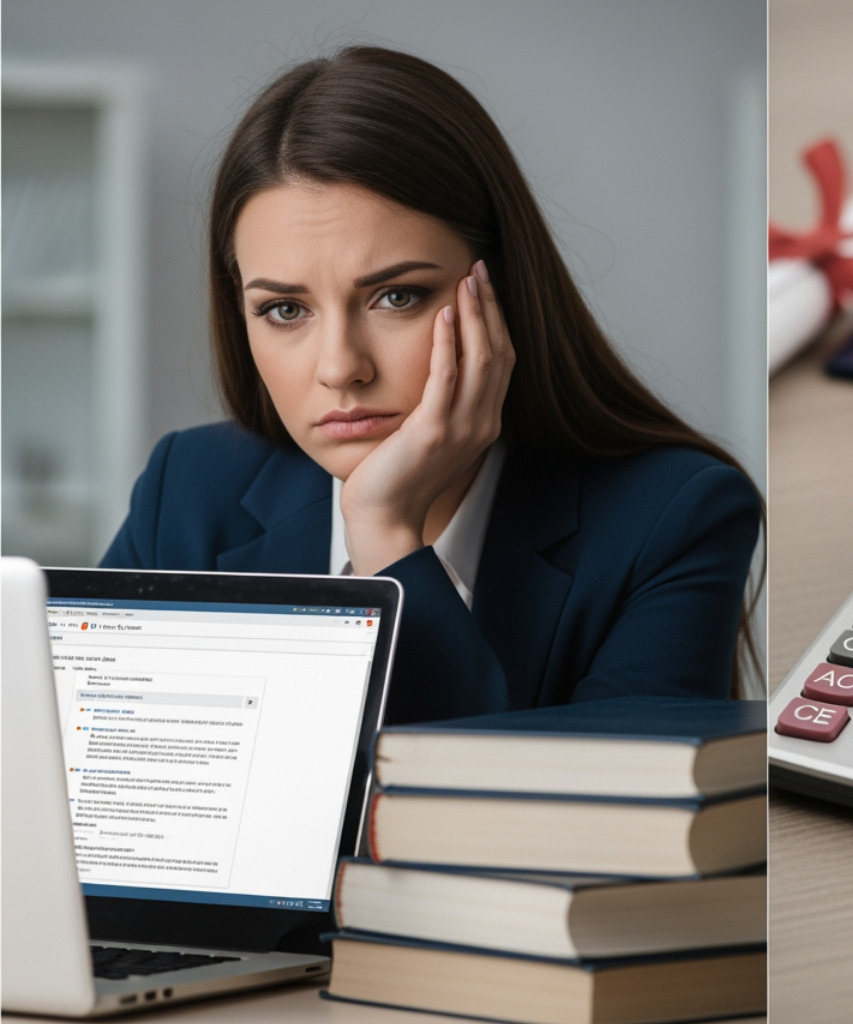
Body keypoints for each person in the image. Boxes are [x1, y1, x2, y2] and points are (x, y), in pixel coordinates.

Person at [101, 46, 761, 724]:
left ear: (499, 286)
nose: (340, 367)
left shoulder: (676, 517)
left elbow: (589, 826)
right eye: (285, 310)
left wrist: (386, 535)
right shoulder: (185, 491)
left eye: (396, 297)